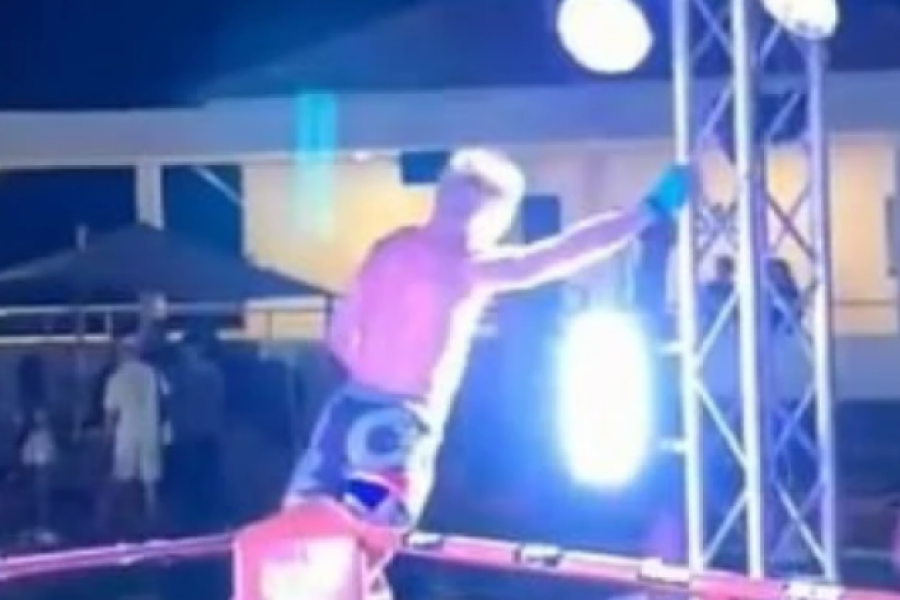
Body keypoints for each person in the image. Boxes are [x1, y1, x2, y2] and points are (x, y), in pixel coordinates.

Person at [235, 149, 691, 600]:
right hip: (392, 423)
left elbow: (339, 334)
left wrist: (376, 374)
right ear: (490, 215)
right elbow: (563, 252)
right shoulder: (467, 266)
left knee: (306, 536)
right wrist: (647, 214)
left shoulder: (395, 249)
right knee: (358, 537)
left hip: (352, 409)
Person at [102, 337, 166, 530]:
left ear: (123, 353)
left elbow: (111, 413)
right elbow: (165, 400)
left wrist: (107, 436)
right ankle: (153, 521)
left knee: (123, 477)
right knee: (150, 480)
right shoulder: (154, 374)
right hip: (150, 430)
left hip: (126, 433)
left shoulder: (116, 378)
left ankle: (123, 520)